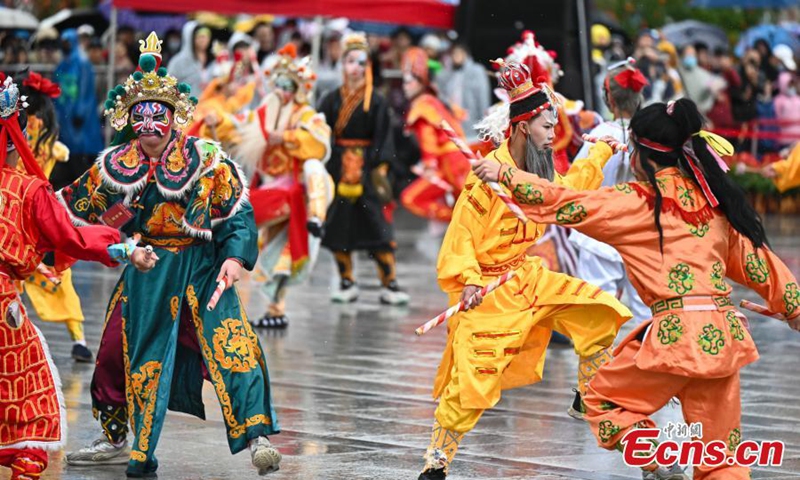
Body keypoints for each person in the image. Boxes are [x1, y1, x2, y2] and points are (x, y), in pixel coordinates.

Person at [473, 97, 800, 480]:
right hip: (721, 337)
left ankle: (659, 459)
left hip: (674, 339)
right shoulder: (713, 203)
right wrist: (793, 309)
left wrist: (505, 174)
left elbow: (567, 202)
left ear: (641, 152)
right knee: (722, 458)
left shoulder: (638, 201)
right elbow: (757, 262)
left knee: (603, 400)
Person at [60, 33, 282, 477]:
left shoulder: (205, 158)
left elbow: (237, 211)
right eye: (139, 118)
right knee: (112, 354)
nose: (148, 129)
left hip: (200, 267)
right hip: (147, 269)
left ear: (172, 119)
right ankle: (118, 438)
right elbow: (67, 207)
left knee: (231, 347)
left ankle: (257, 437)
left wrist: (234, 259)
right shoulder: (117, 162)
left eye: (156, 117)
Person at [417, 60, 632, 480]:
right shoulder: (486, 180)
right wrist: (470, 282)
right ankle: (436, 461)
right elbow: (460, 236)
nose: (554, 135)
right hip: (488, 290)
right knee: (473, 382)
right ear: (521, 128)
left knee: (599, 310)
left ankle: (586, 396)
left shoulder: (537, 170)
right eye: (547, 127)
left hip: (526, 276)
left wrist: (603, 147)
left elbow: (567, 194)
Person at [0, 71, 155, 480]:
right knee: (26, 387)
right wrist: (124, 248)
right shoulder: (28, 188)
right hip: (6, 295)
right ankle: (24, 464)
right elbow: (71, 234)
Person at [235, 43, 333, 329]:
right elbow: (238, 127)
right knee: (272, 251)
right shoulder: (263, 113)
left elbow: (320, 143)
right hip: (271, 190)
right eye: (278, 84)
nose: (281, 90)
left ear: (299, 89)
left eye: (288, 85)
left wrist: (288, 137)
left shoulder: (305, 115)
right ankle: (273, 308)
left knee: (314, 167)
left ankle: (317, 217)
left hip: (302, 189)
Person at [317, 32, 409, 305]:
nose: (355, 67)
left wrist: (380, 166)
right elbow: (322, 133)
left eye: (360, 62)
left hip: (368, 169)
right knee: (339, 229)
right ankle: (347, 281)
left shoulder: (377, 101)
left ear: (368, 66)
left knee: (378, 228)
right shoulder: (331, 99)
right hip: (338, 168)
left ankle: (389, 283)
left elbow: (384, 137)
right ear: (342, 65)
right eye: (349, 61)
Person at [17, 71, 96, 362]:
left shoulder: (41, 141)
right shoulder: (47, 141)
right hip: (29, 211)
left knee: (56, 276)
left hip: (31, 213)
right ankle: (79, 339)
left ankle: (79, 338)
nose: (34, 123)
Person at [569, 59, 651, 324]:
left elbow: (579, 178)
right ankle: (648, 362)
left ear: (609, 98)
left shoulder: (600, 133)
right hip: (642, 231)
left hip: (600, 230)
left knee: (596, 308)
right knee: (646, 313)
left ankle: (596, 364)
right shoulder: (650, 133)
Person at [399, 47, 470, 225]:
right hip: (460, 160)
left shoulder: (423, 105)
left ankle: (459, 222)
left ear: (422, 81)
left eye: (409, 80)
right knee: (469, 207)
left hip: (449, 163)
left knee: (410, 198)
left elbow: (428, 138)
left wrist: (429, 165)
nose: (404, 85)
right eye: (404, 80)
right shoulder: (434, 101)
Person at [52, 29, 103, 189]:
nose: (65, 45)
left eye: (68, 42)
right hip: (64, 118)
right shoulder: (61, 66)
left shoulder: (82, 63)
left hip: (81, 119)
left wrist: (80, 111)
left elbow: (86, 90)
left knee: (81, 160)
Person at [435, 43, 491, 142]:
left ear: (465, 54)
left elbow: (483, 98)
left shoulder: (476, 71)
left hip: (472, 124)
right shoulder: (447, 74)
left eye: (459, 53)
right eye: (453, 54)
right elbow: (441, 94)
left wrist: (484, 125)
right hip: (453, 123)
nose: (456, 56)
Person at [167, 21, 213, 96]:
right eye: (200, 36)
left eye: (206, 36)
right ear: (190, 38)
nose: (203, 40)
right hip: (186, 105)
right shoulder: (177, 62)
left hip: (210, 104)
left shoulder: (213, 59)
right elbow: (169, 85)